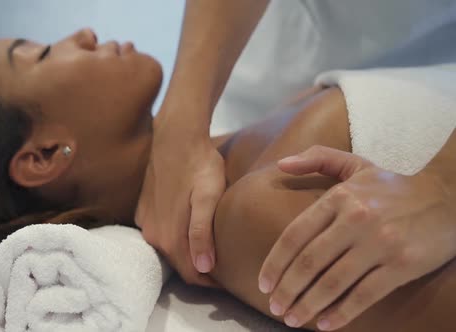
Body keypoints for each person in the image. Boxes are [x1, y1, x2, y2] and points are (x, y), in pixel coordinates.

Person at [0, 29, 456, 331]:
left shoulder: (252, 137)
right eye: (42, 53)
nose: (80, 33)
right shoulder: (246, 218)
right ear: (46, 155)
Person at [136, 0, 456, 329]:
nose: (85, 33)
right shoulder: (255, 212)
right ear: (75, 154)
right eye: (74, 36)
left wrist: (446, 185)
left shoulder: (246, 134)